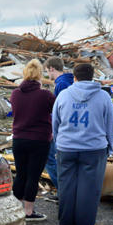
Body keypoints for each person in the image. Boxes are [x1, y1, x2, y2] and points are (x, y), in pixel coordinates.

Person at [52, 63, 113, 225]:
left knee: (66, 186)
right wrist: (110, 146)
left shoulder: (63, 95)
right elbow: (110, 124)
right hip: (94, 149)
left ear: (74, 77)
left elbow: (55, 122)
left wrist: (59, 143)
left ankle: (65, 222)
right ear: (93, 76)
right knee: (89, 188)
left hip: (66, 147)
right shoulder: (103, 97)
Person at [10, 60, 55, 221]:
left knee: (21, 174)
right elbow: (55, 111)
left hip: (19, 139)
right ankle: (28, 212)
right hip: (39, 140)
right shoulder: (45, 95)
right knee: (33, 176)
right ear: (39, 75)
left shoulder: (15, 94)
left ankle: (14, 210)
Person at [44, 57, 74, 187]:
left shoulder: (61, 84)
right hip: (71, 126)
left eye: (47, 71)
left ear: (51, 68)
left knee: (51, 159)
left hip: (63, 128)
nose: (47, 75)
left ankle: (63, 190)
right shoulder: (70, 80)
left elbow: (61, 109)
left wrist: (53, 129)